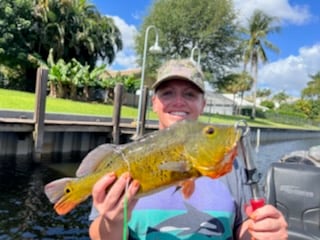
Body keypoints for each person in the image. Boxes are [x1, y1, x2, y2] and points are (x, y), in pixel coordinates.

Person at [89, 59, 288, 239]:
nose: (178, 101)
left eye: (190, 94)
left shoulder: (233, 166)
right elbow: (99, 234)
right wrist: (112, 221)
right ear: (154, 103)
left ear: (203, 104)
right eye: (167, 93)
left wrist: (263, 231)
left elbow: (244, 225)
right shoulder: (126, 159)